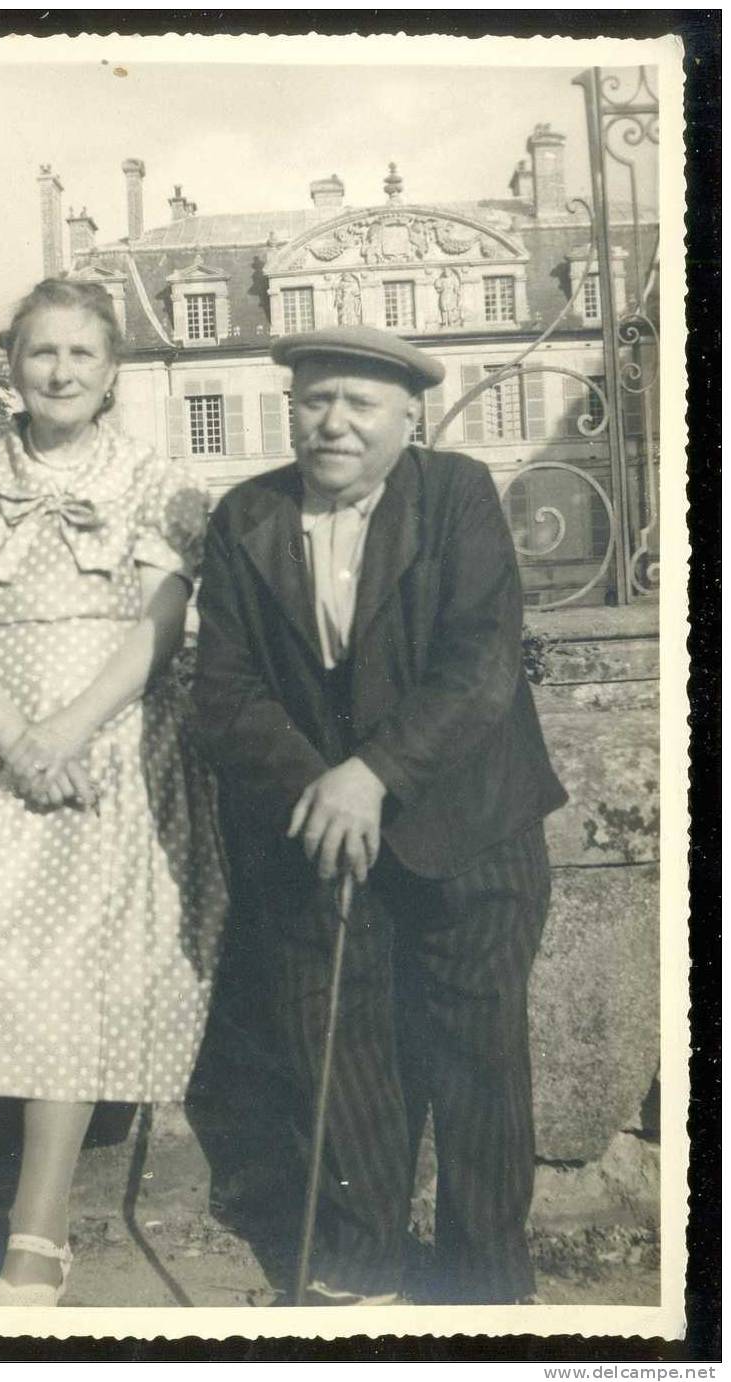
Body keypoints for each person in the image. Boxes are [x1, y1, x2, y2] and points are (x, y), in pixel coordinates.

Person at [0, 278, 227, 1307]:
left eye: (81, 355)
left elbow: (154, 627)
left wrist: (65, 732)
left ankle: (41, 1228)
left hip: (106, 740)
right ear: (9, 364)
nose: (59, 371)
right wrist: (16, 739)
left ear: (110, 371)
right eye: (40, 353)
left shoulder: (158, 483)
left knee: (73, 967)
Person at [193, 325, 567, 1305]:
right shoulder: (244, 515)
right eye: (315, 399)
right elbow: (224, 688)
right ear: (291, 410)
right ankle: (361, 1273)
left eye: (360, 403)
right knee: (341, 1051)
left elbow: (479, 660)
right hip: (320, 832)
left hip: (466, 828)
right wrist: (322, 784)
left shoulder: (456, 495)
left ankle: (488, 1292)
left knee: (478, 1067)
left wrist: (373, 772)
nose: (335, 421)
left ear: (408, 415)